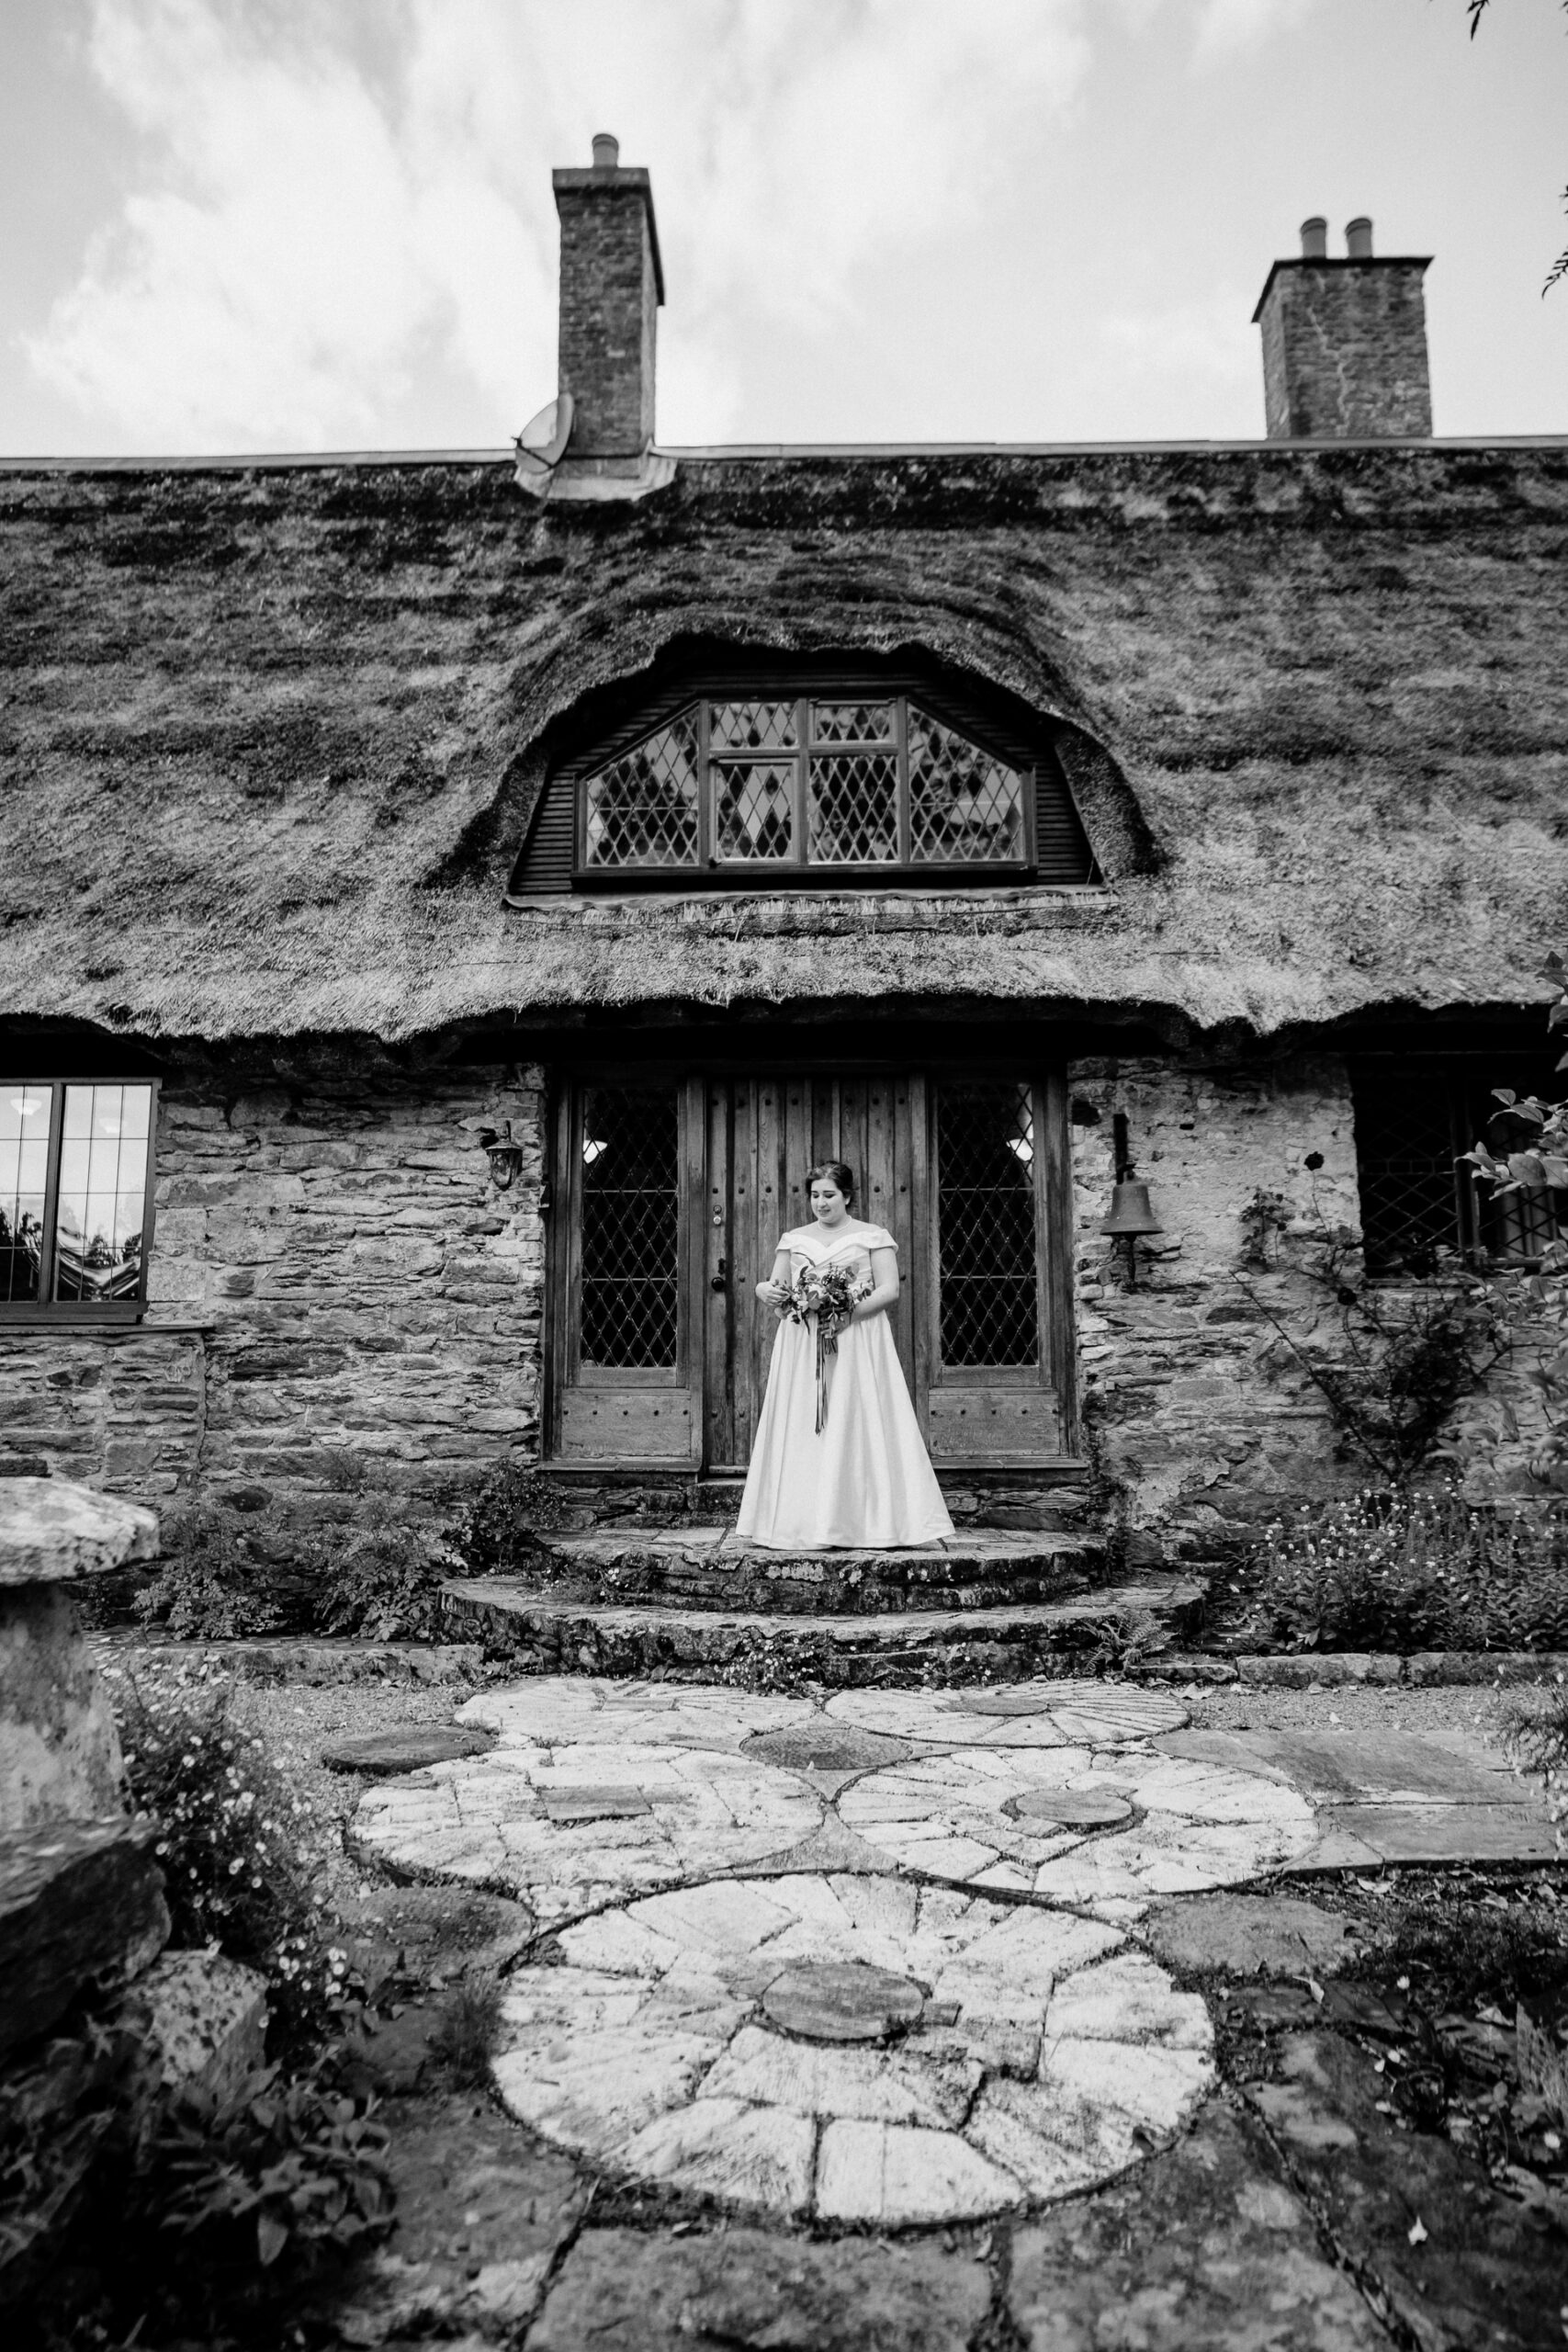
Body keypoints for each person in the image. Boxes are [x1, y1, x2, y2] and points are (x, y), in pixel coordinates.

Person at [735, 1159, 955, 1549]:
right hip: (804, 1344)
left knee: (857, 1418)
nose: (821, 1203)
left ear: (848, 1197)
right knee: (806, 1422)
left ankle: (867, 1521)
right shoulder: (793, 1239)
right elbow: (779, 1292)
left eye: (829, 1195)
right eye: (815, 1195)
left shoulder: (873, 1236)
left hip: (857, 1341)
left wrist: (846, 1316)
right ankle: (801, 1521)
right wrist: (761, 1290)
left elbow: (889, 1290)